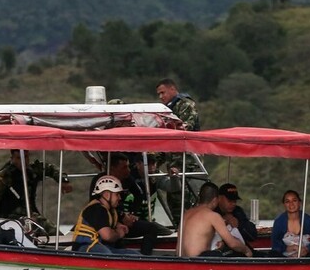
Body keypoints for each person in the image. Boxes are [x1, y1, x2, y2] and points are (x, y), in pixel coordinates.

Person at [90, 153, 172, 255]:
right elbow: (97, 206)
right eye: (124, 167)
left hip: (122, 218)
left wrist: (133, 214)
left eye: (128, 166)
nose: (129, 170)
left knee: (152, 228)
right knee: (116, 235)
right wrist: (121, 217)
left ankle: (145, 257)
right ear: (112, 167)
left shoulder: (128, 179)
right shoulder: (100, 182)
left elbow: (139, 194)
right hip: (105, 221)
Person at [0, 149, 73, 235]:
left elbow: (50, 168)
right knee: (46, 226)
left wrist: (63, 180)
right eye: (18, 158)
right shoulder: (3, 178)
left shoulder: (32, 170)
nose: (23, 161)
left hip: (29, 215)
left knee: (50, 229)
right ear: (12, 158)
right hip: (10, 217)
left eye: (26, 157)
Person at [155, 78, 204, 226]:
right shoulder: (167, 110)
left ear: (172, 89)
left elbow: (183, 131)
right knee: (175, 202)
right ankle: (179, 231)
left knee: (188, 204)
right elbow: (165, 143)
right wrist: (153, 162)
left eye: (163, 92)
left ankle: (190, 234)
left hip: (188, 164)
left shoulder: (186, 105)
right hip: (174, 166)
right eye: (158, 94)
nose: (160, 97)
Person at [181, 182, 252, 258]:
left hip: (182, 260)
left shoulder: (186, 214)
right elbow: (233, 243)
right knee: (237, 250)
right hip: (200, 261)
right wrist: (247, 250)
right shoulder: (213, 216)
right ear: (215, 200)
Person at [71, 176, 139, 255]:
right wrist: (119, 234)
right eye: (117, 194)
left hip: (99, 246)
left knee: (133, 254)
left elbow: (106, 223)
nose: (120, 198)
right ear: (107, 195)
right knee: (108, 255)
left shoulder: (110, 210)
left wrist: (118, 225)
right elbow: (107, 236)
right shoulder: (96, 209)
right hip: (85, 247)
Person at [271, 190, 310, 258]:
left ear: (299, 203)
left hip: (306, 255)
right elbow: (275, 243)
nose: (291, 204)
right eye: (287, 201)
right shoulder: (279, 222)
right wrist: (287, 248)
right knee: (272, 254)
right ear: (284, 204)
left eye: (294, 200)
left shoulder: (308, 220)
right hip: (285, 256)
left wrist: (306, 249)